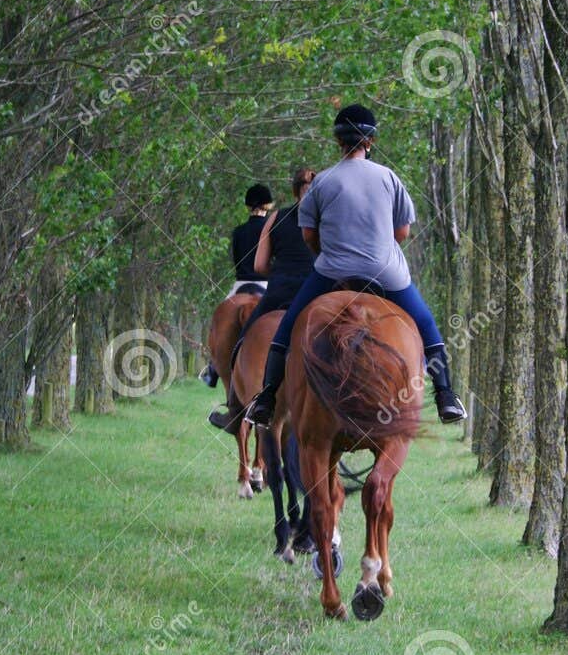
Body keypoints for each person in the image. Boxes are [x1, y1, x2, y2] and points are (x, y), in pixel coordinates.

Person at [214, 105, 466, 428]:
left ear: (338, 142)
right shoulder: (389, 177)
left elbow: (309, 235)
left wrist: (330, 254)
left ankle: (265, 398)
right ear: (370, 141)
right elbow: (402, 231)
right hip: (385, 272)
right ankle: (445, 395)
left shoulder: (323, 182)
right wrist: (377, 249)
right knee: (426, 325)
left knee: (287, 326)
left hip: (333, 272)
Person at [208, 167, 316, 427]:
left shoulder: (251, 228)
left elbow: (253, 264)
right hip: (308, 287)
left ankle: (220, 381)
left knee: (243, 338)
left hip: (258, 284)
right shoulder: (325, 219)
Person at [199, 182, 273, 387]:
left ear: (248, 205)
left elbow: (237, 260)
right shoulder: (272, 229)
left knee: (217, 325)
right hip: (266, 285)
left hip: (240, 283)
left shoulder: (238, 231)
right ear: (268, 204)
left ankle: (213, 369)